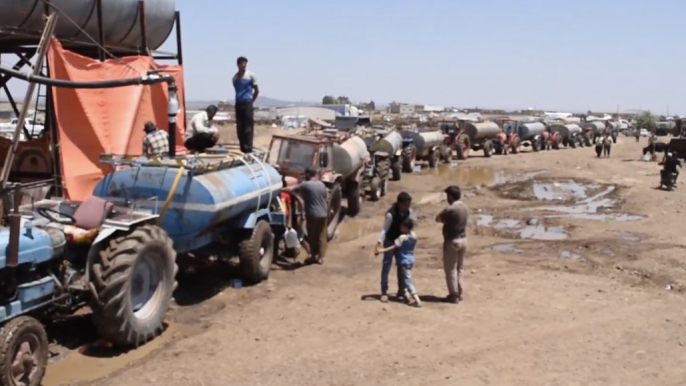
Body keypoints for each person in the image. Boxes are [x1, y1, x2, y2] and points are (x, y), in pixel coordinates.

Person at [282, 167, 328, 265]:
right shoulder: (322, 184)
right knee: (322, 235)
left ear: (307, 175)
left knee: (312, 235)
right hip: (323, 214)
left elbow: (291, 189)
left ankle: (313, 256)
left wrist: (280, 189)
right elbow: (325, 198)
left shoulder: (306, 185)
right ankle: (320, 258)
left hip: (312, 214)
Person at [374, 192, 413, 303]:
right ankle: (384, 291)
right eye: (406, 204)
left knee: (402, 265)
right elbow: (384, 230)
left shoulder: (408, 212)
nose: (408, 207)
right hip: (390, 240)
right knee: (387, 266)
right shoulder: (391, 214)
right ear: (400, 203)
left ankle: (402, 290)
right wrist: (378, 244)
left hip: (401, 241)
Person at [375, 218, 420, 307]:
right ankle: (405, 294)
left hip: (403, 261)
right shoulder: (414, 235)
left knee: (407, 281)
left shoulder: (402, 237)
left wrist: (381, 250)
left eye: (402, 226)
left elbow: (393, 247)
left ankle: (417, 300)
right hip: (411, 260)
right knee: (404, 278)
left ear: (406, 227)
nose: (400, 228)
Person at [435, 185, 468, 304]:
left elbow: (438, 219)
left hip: (452, 241)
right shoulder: (464, 207)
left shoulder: (450, 209)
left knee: (451, 269)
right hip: (463, 239)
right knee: (460, 268)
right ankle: (459, 292)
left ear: (450, 196)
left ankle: (453, 295)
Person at [233, 56, 259, 154]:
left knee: (248, 127)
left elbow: (256, 90)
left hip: (247, 102)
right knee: (240, 127)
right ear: (238, 65)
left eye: (245, 64)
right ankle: (242, 148)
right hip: (238, 103)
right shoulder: (234, 78)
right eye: (241, 63)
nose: (243, 65)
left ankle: (248, 149)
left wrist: (251, 101)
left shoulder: (250, 76)